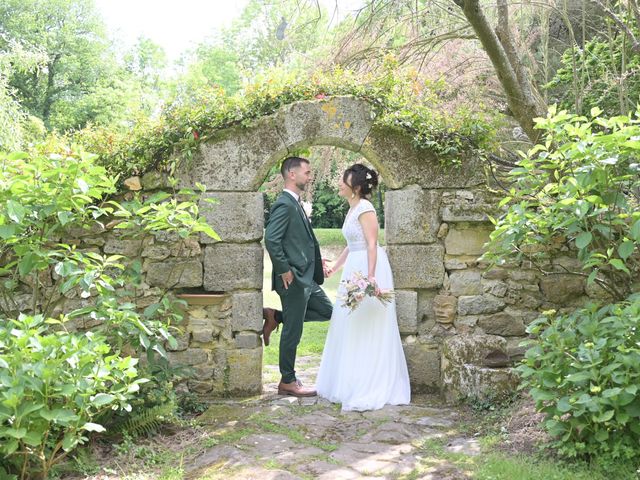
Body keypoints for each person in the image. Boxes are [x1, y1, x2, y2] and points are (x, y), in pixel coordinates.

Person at [316, 164, 411, 411]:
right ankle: (350, 380)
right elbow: (352, 243)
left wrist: (370, 278)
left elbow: (371, 244)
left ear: (356, 187)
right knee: (350, 323)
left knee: (367, 325)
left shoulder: (366, 208)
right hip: (354, 268)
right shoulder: (353, 208)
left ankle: (369, 382)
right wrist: (335, 267)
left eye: (343, 180)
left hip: (369, 269)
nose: (339, 183)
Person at [263, 156, 333, 397]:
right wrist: (284, 269)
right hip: (291, 279)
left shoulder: (295, 203)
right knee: (294, 330)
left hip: (306, 278)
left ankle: (276, 317)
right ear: (292, 174)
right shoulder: (284, 203)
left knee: (328, 312)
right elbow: (271, 239)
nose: (310, 176)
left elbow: (298, 240)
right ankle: (287, 381)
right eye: (307, 172)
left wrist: (315, 260)